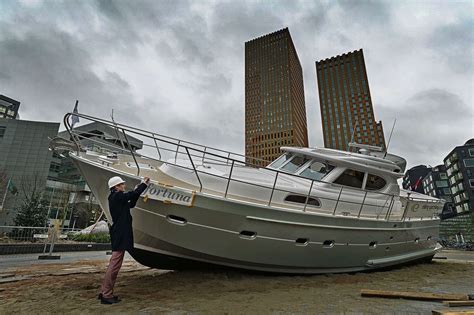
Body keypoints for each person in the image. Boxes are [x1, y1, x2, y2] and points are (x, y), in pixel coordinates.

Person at [99, 175, 150, 305]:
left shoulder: (117, 198)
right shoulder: (116, 196)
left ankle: (105, 292)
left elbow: (131, 202)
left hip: (120, 233)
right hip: (120, 234)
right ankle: (106, 295)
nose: (123, 186)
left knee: (114, 264)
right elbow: (129, 196)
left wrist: (139, 189)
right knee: (115, 265)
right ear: (116, 187)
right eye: (121, 184)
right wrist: (143, 184)